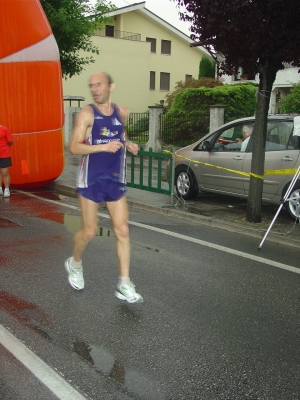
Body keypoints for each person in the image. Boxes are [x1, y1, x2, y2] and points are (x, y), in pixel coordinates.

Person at [65, 71, 143, 303]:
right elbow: (74, 147)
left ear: (111, 86)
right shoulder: (87, 114)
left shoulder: (123, 112)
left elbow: (120, 134)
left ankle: (124, 283)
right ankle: (75, 264)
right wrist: (102, 147)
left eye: (99, 85)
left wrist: (128, 144)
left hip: (114, 177)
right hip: (90, 178)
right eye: (92, 86)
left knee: (123, 231)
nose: (95, 89)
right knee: (89, 231)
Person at [0, 124, 14, 198]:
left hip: (4, 154)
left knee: (5, 172)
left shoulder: (5, 129)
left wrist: (5, 148)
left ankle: (7, 189)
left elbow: (11, 141)